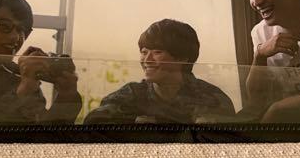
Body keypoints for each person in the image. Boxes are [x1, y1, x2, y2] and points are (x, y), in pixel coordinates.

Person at [84, 19, 235, 124]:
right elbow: (93, 122)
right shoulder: (131, 94)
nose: (147, 59)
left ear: (182, 58)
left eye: (157, 52)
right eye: (144, 52)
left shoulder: (212, 98)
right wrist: (132, 123)